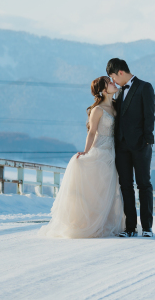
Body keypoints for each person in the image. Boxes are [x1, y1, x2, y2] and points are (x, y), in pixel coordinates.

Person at [38, 76, 125, 238]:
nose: (114, 83)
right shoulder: (97, 110)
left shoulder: (116, 106)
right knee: (99, 188)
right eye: (110, 83)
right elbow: (92, 132)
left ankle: (108, 222)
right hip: (101, 151)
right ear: (104, 90)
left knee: (111, 188)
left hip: (114, 151)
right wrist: (86, 152)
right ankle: (93, 224)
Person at [107, 58, 155, 238]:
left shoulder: (145, 87)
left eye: (113, 77)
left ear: (120, 72)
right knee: (125, 186)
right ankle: (130, 228)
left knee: (144, 185)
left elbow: (150, 115)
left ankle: (147, 227)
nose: (113, 81)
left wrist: (147, 141)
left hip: (141, 145)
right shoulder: (119, 92)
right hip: (121, 147)